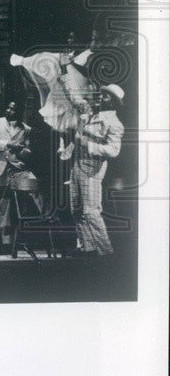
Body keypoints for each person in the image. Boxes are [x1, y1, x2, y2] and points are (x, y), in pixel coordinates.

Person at [67, 84, 124, 257]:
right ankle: (88, 248)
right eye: (101, 93)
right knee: (76, 209)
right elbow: (73, 95)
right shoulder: (90, 112)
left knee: (91, 211)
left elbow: (113, 150)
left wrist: (89, 145)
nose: (100, 96)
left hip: (93, 168)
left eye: (106, 96)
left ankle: (106, 251)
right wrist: (63, 73)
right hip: (77, 165)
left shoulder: (114, 123)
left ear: (113, 102)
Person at [0, 100, 42, 252]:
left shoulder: (26, 128)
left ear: (19, 111)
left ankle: (45, 225)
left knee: (35, 189)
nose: (9, 111)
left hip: (18, 169)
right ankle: (6, 243)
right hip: (0, 169)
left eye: (13, 109)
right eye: (8, 107)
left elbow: (27, 150)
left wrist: (24, 151)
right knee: (3, 207)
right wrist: (9, 144)